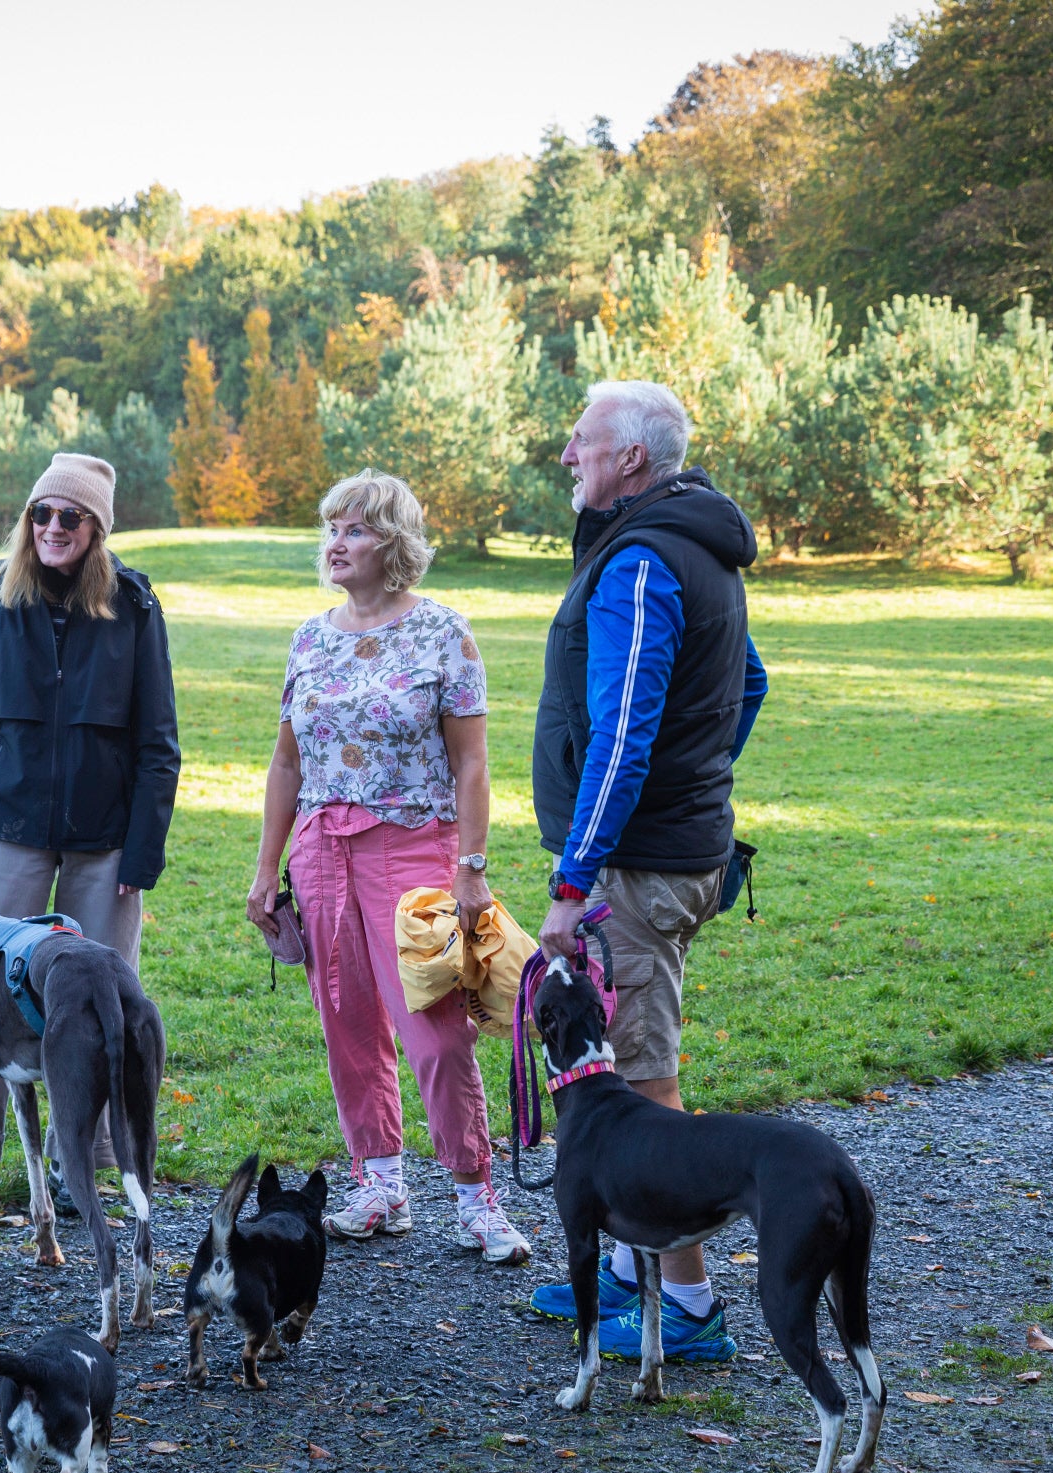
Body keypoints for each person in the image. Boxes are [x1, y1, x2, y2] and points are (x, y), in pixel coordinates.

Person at [525, 380, 768, 1362]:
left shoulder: (642, 560)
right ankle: (628, 1273)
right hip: (676, 849)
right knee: (631, 1066)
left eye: (581, 440)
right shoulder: (691, 543)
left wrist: (573, 878)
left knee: (640, 1077)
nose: (567, 454)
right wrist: (698, 776)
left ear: (630, 458)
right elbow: (750, 682)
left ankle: (693, 1307)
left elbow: (623, 735)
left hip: (638, 865)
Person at [244, 469, 531, 1266]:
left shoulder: (444, 632)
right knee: (348, 1025)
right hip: (322, 851)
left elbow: (472, 763)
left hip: (416, 849)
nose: (335, 544)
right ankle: (381, 1184)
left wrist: (472, 865)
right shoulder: (310, 637)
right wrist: (267, 869)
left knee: (437, 1033)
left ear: (394, 543)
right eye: (331, 528)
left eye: (355, 529)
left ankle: (475, 1196)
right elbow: (285, 763)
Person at [0, 453, 179, 1214]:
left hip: (105, 838)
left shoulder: (134, 606)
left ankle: (90, 1159)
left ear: (96, 528)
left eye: (70, 516)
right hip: (7, 823)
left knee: (102, 996)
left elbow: (158, 740)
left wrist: (143, 850)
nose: (53, 527)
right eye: (41, 513)